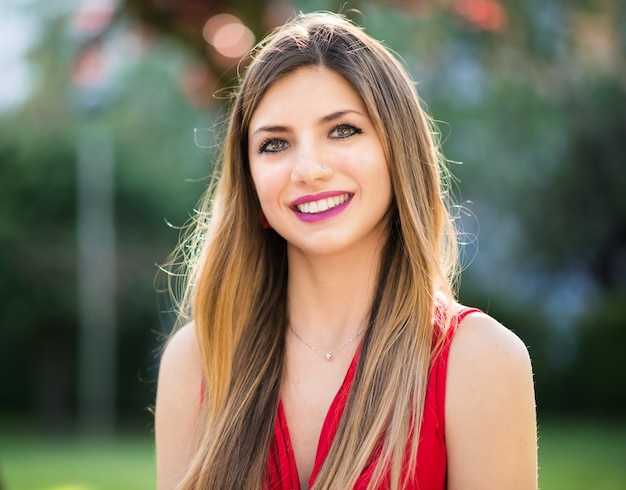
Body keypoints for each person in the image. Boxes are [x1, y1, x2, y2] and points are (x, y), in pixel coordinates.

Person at [155, 11, 537, 490]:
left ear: (398, 152)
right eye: (275, 144)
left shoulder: (478, 360)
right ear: (250, 184)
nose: (308, 169)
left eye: (343, 130)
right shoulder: (197, 362)